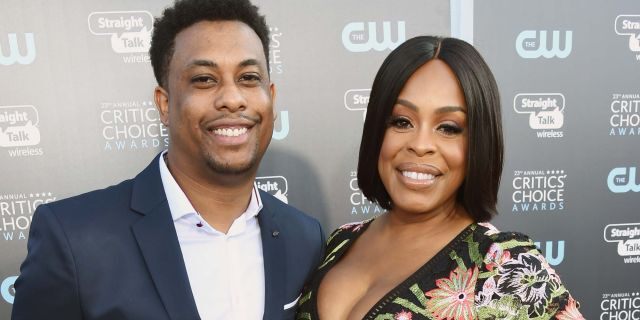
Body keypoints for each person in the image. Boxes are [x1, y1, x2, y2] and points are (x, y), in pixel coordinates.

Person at [11, 0, 325, 319]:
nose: (232, 98)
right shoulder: (74, 238)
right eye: (204, 79)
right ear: (164, 104)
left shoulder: (304, 237)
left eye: (248, 78)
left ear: (270, 96)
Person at [296, 36, 583, 320]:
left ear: (478, 144)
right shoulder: (340, 241)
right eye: (401, 121)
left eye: (448, 127)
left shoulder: (502, 264)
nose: (420, 144)